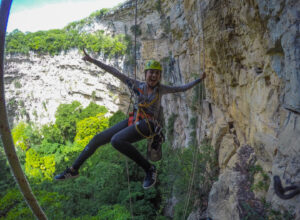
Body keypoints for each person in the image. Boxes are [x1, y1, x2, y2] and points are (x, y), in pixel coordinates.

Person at [54, 49, 206, 189]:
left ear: (159, 77)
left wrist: (198, 80)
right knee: (98, 138)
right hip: (134, 120)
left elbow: (182, 88)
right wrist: (93, 61)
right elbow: (114, 72)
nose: (153, 76)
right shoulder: (136, 85)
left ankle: (149, 169)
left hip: (149, 124)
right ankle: (73, 169)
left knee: (116, 140)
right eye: (150, 72)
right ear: (145, 73)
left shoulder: (162, 89)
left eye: (156, 73)